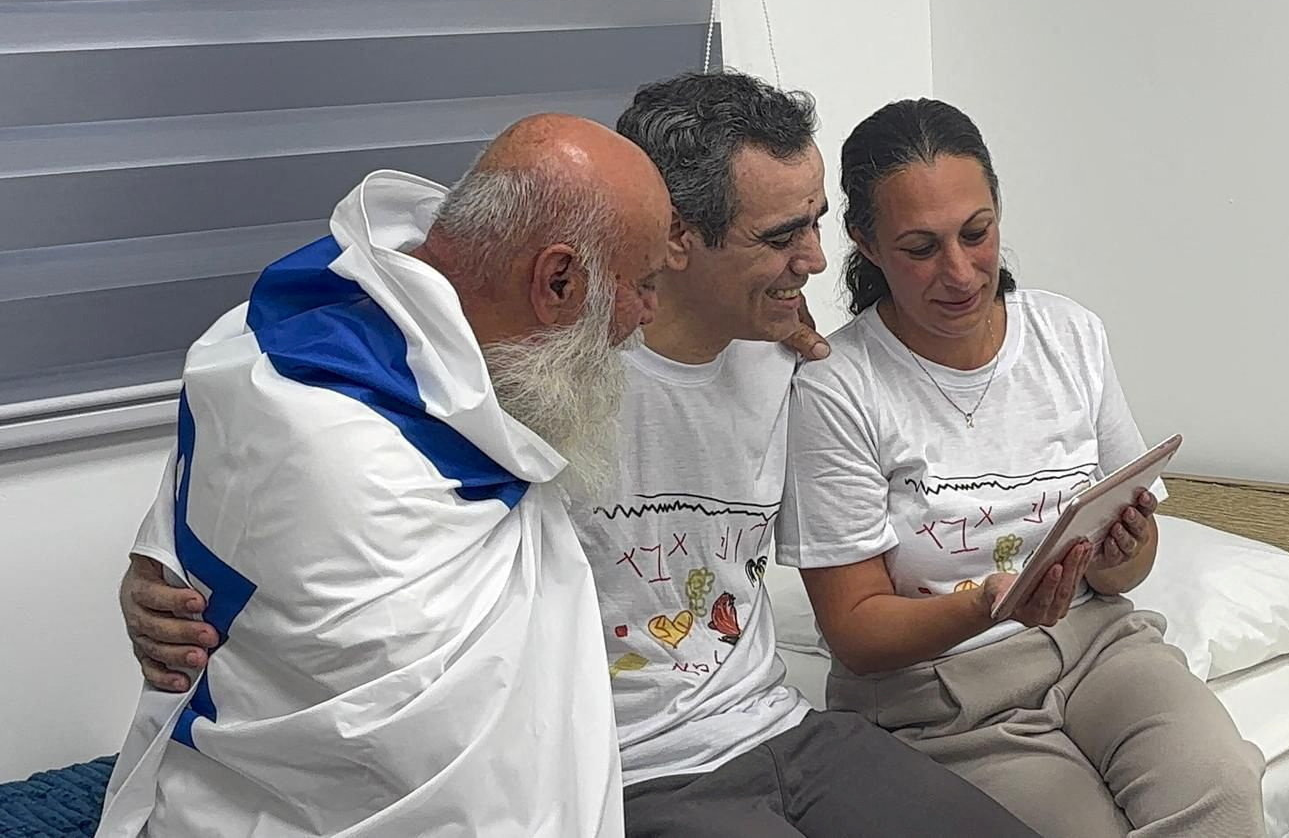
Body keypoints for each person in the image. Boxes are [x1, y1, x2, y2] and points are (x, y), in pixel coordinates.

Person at [116, 73, 1041, 838]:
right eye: (780, 236)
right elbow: (294, 421)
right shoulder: (542, 367)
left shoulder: (788, 358)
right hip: (638, 769)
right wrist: (161, 565)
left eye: (817, 222)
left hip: (780, 724)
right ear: (672, 241)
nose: (817, 260)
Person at [97, 114, 672, 837]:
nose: (649, 315)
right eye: (645, 285)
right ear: (557, 281)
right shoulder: (356, 465)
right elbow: (470, 786)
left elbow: (207, 518)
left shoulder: (274, 337)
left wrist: (159, 559)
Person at [777, 98, 1268, 838]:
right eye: (920, 248)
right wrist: (989, 606)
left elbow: (1125, 573)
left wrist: (1124, 551)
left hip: (1099, 648)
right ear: (866, 244)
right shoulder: (837, 385)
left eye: (977, 233)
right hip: (944, 693)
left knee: (1221, 792)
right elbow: (855, 634)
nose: (960, 272)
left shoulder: (1068, 336)